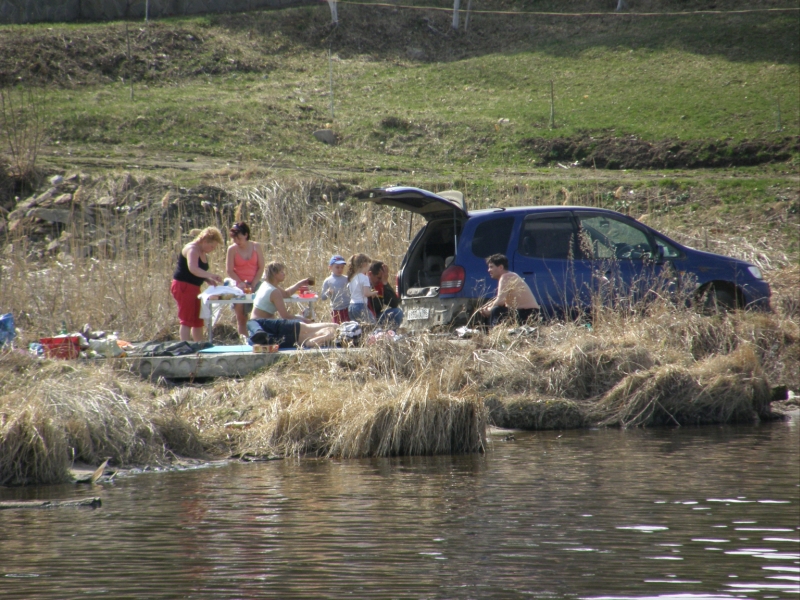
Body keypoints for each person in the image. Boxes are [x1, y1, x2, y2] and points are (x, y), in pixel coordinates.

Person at [171, 227, 224, 342]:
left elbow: (198, 271)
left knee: (197, 321)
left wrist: (207, 279)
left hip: (195, 287)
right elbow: (193, 269)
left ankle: (199, 345)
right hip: (184, 286)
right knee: (186, 320)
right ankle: (185, 346)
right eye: (212, 246)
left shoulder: (202, 251)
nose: (212, 249)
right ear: (205, 241)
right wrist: (212, 275)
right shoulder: (192, 249)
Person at [225, 222, 265, 338]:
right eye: (234, 239)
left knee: (259, 314)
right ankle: (244, 340)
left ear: (246, 235)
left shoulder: (256, 246)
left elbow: (261, 267)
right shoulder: (232, 249)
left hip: (255, 282)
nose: (237, 241)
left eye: (239, 238)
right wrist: (241, 283)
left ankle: (259, 338)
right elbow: (230, 270)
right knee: (241, 317)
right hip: (239, 285)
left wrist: (254, 283)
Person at [477, 253, 540, 327]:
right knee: (492, 310)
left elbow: (500, 301)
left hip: (527, 314)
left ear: (500, 267)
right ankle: (489, 331)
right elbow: (499, 299)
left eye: (491, 267)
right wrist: (488, 308)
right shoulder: (509, 275)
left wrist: (490, 310)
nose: (489, 270)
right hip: (524, 313)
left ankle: (495, 332)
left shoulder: (506, 276)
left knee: (496, 310)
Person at [246, 318, 337, 349]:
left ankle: (258, 333)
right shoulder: (335, 330)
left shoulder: (331, 335)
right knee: (251, 323)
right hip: (290, 335)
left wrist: (326, 336)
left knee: (251, 324)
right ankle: (258, 332)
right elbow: (309, 343)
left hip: (289, 339)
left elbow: (309, 343)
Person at [367, 261, 403, 330]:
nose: (380, 281)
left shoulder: (381, 285)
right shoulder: (363, 283)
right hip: (366, 318)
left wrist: (385, 283)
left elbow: (394, 303)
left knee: (397, 312)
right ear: (370, 274)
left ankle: (391, 334)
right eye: (379, 278)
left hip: (377, 317)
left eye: (383, 278)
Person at [346, 253, 379, 324]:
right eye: (369, 266)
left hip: (351, 307)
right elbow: (366, 293)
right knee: (372, 325)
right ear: (364, 264)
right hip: (361, 305)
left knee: (357, 327)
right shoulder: (364, 278)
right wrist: (374, 293)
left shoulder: (352, 277)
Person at [320, 254, 351, 324]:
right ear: (330, 267)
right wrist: (328, 293)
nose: (340, 269)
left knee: (349, 325)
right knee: (337, 326)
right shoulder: (328, 281)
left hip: (347, 307)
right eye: (337, 267)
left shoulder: (346, 279)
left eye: (342, 267)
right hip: (336, 309)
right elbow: (323, 297)